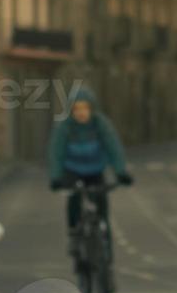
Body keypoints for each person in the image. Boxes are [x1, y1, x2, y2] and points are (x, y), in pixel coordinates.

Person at [47, 86, 132, 254]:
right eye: (77, 109)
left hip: (95, 169)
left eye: (85, 108)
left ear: (92, 109)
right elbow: (56, 152)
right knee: (74, 199)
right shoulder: (65, 127)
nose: (81, 113)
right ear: (71, 110)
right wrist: (56, 177)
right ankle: (73, 234)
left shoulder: (101, 124)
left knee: (101, 202)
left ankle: (105, 242)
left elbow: (113, 147)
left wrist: (121, 172)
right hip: (72, 169)